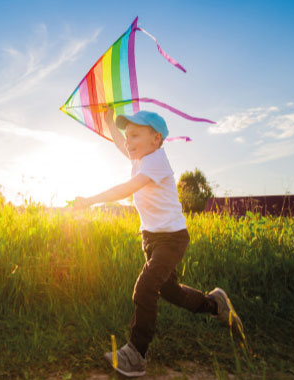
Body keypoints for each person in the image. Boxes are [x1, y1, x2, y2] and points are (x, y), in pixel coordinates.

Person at [72, 108, 241, 377]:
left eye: (135, 135)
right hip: (151, 239)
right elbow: (120, 144)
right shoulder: (141, 157)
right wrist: (108, 123)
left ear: (156, 139)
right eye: (128, 135)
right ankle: (214, 304)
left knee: (145, 287)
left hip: (171, 239)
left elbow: (125, 190)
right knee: (169, 291)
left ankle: (136, 354)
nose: (128, 141)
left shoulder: (156, 161)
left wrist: (90, 201)